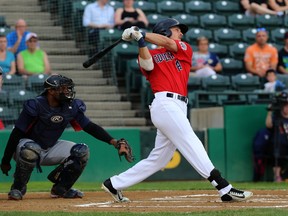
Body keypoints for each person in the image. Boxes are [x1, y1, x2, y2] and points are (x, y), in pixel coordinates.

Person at [101, 18, 253, 203]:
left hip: (178, 106)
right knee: (190, 140)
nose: (181, 33)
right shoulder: (149, 52)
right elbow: (148, 64)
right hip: (164, 104)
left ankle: (114, 184)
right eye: (177, 29)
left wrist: (141, 34)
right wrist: (140, 41)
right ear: (165, 30)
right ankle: (223, 187)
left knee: (159, 159)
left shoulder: (184, 48)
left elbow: (166, 42)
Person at [0, 74, 131, 200]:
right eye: (63, 88)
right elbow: (16, 133)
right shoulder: (35, 104)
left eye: (68, 88)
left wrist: (114, 142)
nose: (67, 91)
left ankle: (61, 188)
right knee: (31, 150)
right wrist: (6, 160)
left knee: (82, 151)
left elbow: (90, 127)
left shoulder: (71, 106)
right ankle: (17, 188)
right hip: (26, 147)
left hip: (50, 147)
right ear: (51, 91)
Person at [266, 91, 288, 182]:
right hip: (279, 144)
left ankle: (284, 176)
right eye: (286, 106)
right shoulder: (276, 116)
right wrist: (270, 112)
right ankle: (277, 176)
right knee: (276, 147)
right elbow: (268, 125)